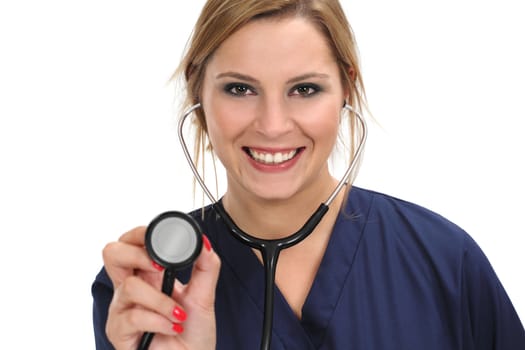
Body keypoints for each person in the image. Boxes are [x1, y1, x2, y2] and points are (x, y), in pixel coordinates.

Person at [91, 0, 525, 349]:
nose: (273, 124)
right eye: (240, 89)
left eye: (305, 89)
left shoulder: (445, 262)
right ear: (198, 94)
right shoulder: (149, 290)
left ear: (346, 91)